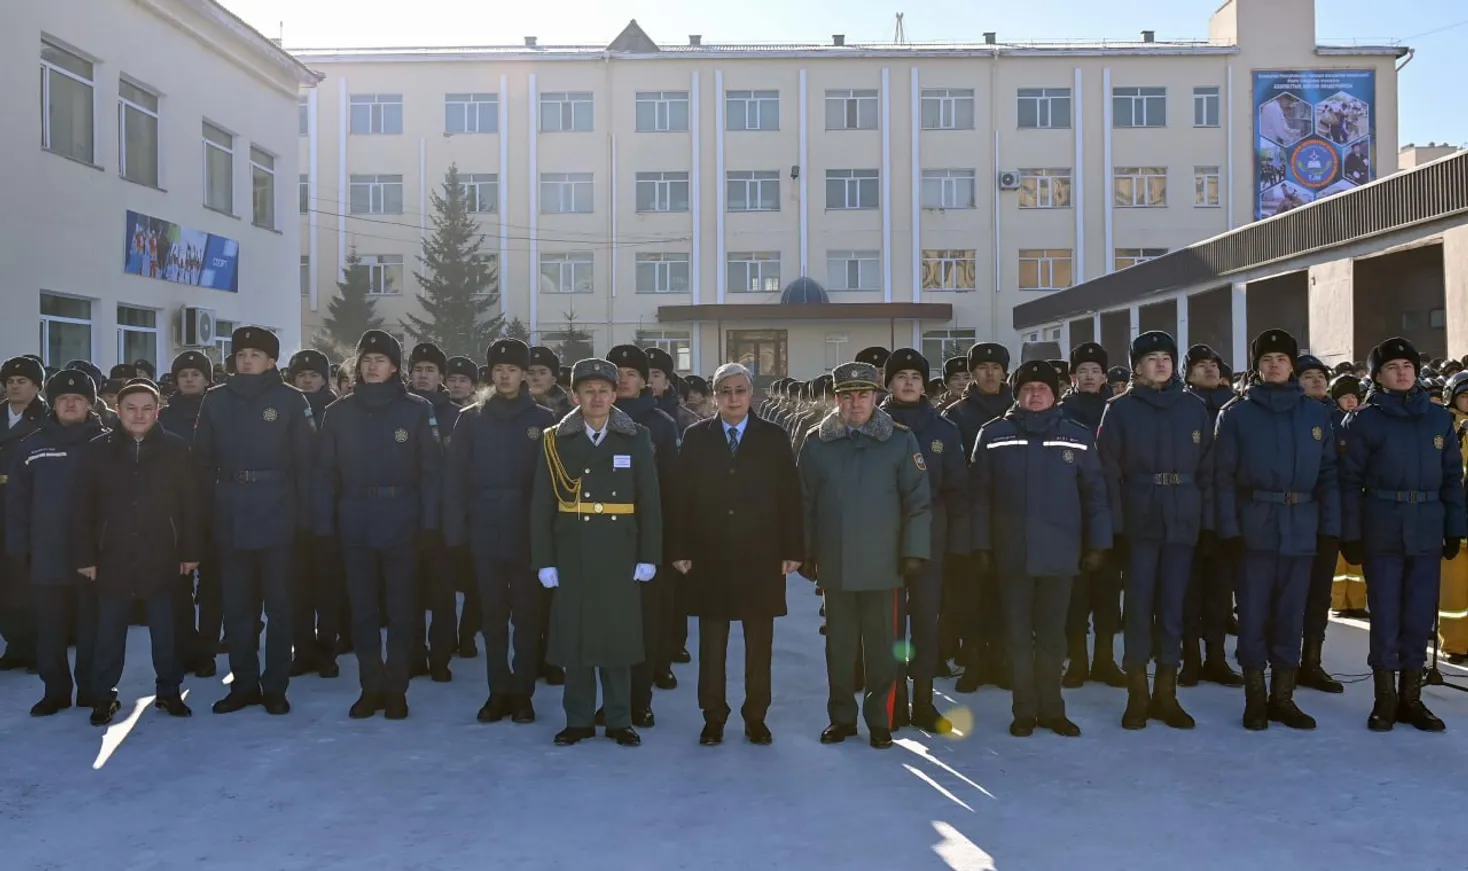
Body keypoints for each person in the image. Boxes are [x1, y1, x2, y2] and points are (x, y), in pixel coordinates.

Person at [973, 361, 1111, 736]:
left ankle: (1052, 708)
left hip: (1060, 555)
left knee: (1053, 637)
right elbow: (979, 497)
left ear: (1055, 394)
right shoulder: (993, 435)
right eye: (1027, 388)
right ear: (1016, 393)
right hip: (1012, 555)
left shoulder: (1077, 436)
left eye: (1043, 388)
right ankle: (1023, 711)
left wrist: (1099, 542)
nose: (1035, 394)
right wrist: (982, 546)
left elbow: (1095, 495)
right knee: (1017, 637)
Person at [800, 361, 931, 750]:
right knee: (838, 648)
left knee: (881, 649)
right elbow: (803, 502)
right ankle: (841, 718)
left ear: (877, 397)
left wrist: (913, 552)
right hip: (836, 564)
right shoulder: (816, 442)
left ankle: (880, 720)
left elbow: (919, 501)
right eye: (847, 395)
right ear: (836, 398)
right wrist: (805, 551)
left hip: (884, 565)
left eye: (863, 394)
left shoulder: (899, 440)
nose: (855, 403)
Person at [531, 358, 662, 747]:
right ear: (575, 395)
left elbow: (649, 501)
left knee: (617, 637)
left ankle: (619, 718)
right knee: (576, 637)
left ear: (615, 394)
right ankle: (578, 718)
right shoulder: (555, 440)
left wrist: (648, 554)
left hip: (620, 550)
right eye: (588, 390)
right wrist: (544, 560)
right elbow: (541, 504)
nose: (597, 397)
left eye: (604, 390)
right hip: (573, 550)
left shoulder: (635, 436)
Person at [670, 362, 802, 746]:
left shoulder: (773, 437)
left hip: (760, 556)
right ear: (715, 395)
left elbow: (789, 496)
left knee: (759, 646)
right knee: (712, 645)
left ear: (750, 394)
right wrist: (679, 548)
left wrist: (793, 549)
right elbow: (682, 497)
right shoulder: (697, 436)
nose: (733, 398)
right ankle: (713, 717)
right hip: (710, 555)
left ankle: (755, 716)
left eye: (739, 390)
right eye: (725, 391)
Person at [1214, 331, 1340, 731]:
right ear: (1257, 366)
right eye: (1266, 359)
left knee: (1291, 615)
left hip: (1302, 527)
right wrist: (1229, 531)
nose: (1274, 365)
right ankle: (1255, 700)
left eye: (1281, 359)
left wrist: (1330, 529)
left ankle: (1282, 698)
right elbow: (1222, 478)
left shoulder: (1316, 414)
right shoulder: (1236, 413)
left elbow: (1329, 476)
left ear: (1293, 365)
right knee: (1252, 615)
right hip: (1255, 527)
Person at [314, 331, 443, 720]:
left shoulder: (416, 410)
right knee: (363, 611)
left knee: (403, 609)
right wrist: (323, 524)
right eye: (366, 359)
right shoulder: (338, 412)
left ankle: (397, 689)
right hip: (354, 518)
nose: (372, 366)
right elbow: (324, 473)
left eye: (380, 360)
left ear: (393, 367)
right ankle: (371, 687)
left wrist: (430, 523)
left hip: (402, 516)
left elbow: (432, 471)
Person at [1340, 337, 1464, 732]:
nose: (1402, 372)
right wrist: (1352, 534)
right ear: (1378, 376)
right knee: (1387, 614)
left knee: (1418, 612)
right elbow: (1348, 483)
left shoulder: (1437, 419)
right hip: (1384, 523)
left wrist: (1453, 528)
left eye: (1407, 367)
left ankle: (1412, 698)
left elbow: (1451, 479)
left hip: (1427, 523)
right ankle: (1385, 699)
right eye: (1392, 368)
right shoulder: (1364, 420)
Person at [193, 326, 315, 715]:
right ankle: (243, 684)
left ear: (272, 361)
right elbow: (201, 462)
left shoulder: (291, 401)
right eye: (241, 353)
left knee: (279, 608)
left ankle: (275, 686)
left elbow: (307, 465)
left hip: (278, 509)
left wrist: (305, 519)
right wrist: (205, 514)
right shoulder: (215, 399)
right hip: (230, 510)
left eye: (256, 354)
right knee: (238, 608)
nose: (247, 360)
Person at [1097, 330, 1214, 731]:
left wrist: (1207, 523)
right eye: (1152, 358)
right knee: (1139, 607)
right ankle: (1137, 695)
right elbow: (1108, 474)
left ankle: (1167, 693)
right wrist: (1113, 528)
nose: (1161, 363)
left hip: (1182, 517)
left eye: (1166, 357)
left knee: (1173, 608)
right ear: (1136, 366)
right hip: (1140, 518)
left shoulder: (1193, 408)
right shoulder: (1120, 410)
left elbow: (1208, 470)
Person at [74, 380, 201, 725]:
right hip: (111, 555)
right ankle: (103, 696)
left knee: (167, 630)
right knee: (109, 632)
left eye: (147, 408)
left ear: (158, 411)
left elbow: (190, 505)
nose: (139, 415)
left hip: (163, 554)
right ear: (118, 410)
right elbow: (83, 508)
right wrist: (86, 556)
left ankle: (169, 691)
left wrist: (189, 551)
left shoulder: (176, 449)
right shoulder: (97, 450)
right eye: (131, 407)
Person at [443, 339, 556, 725]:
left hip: (527, 530)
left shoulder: (543, 420)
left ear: (525, 374)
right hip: (484, 528)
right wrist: (456, 533)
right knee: (491, 617)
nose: (505, 375)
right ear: (490, 373)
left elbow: (554, 484)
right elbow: (454, 478)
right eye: (498, 368)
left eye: (513, 368)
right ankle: (497, 691)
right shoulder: (471, 418)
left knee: (527, 617)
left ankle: (522, 694)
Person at [5, 369, 106, 715]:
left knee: (92, 627)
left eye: (78, 398)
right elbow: (16, 501)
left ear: (90, 403)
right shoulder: (32, 445)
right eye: (64, 398)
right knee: (49, 629)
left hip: (94, 556)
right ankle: (55, 691)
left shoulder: (107, 443)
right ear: (53, 403)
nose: (71, 404)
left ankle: (92, 690)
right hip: (46, 553)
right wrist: (18, 547)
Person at [879, 349, 965, 732]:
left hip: (931, 536)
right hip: (884, 537)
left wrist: (957, 542)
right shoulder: (875, 425)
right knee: (890, 624)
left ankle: (926, 700)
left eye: (916, 375)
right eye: (901, 376)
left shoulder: (943, 430)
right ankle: (894, 702)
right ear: (890, 383)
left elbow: (958, 490)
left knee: (927, 622)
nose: (909, 382)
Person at [608, 344, 680, 722]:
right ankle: (613, 700)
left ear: (643, 380)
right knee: (608, 622)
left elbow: (673, 489)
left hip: (647, 538)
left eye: (631, 373)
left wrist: (668, 544)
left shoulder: (661, 425)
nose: (623, 379)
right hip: (602, 539)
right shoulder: (593, 419)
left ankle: (639, 699)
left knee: (644, 622)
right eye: (617, 372)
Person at [1057, 342, 1126, 688]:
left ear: (1105, 376)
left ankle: (1105, 659)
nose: (1089, 376)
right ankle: (1078, 661)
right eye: (1082, 371)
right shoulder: (1060, 411)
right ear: (1072, 377)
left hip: (1113, 508)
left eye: (1095, 371)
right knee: (1075, 592)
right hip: (1072, 510)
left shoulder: (1117, 409)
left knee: (1108, 592)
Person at [944, 342, 1012, 693]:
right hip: (969, 516)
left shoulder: (1018, 410)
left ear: (1005, 371)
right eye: (982, 367)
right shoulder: (956, 415)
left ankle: (1001, 660)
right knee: (969, 595)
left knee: (1005, 593)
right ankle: (973, 661)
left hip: (1010, 517)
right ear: (972, 373)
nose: (989, 373)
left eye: (995, 367)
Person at [1179, 344, 1243, 688]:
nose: (1209, 369)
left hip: (1226, 512)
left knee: (1220, 593)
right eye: (1201, 365)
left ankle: (1216, 658)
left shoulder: (1236, 408)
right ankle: (1189, 658)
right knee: (1189, 592)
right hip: (1188, 510)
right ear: (1187, 372)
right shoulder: (1180, 406)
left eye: (1214, 364)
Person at [158, 350, 221, 678]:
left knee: (212, 584)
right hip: (175, 509)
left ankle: (206, 649)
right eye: (183, 374)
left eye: (196, 374)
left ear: (207, 379)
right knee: (178, 583)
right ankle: (183, 645)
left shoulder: (220, 410)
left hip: (213, 504)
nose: (189, 379)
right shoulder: (163, 416)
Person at [285, 350, 342, 680]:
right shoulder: (286, 409)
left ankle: (326, 650)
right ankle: (301, 649)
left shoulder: (336, 412)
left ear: (325, 379)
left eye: (314, 375)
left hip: (331, 513)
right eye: (301, 375)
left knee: (328, 590)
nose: (307, 380)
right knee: (297, 589)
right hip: (292, 513)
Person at [406, 342, 459, 681]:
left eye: (430, 370)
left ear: (442, 377)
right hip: (406, 514)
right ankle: (413, 654)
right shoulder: (402, 408)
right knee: (407, 590)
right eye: (418, 369)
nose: (423, 376)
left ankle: (441, 655)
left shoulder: (456, 415)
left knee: (442, 592)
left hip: (443, 516)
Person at [0, 355, 47, 672]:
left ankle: (36, 646)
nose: (14, 387)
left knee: (28, 578)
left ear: (36, 386)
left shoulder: (46, 418)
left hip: (30, 505)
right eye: (10, 382)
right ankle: (14, 644)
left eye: (22, 381)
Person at [442, 354, 483, 659]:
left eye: (462, 380)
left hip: (475, 508)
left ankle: (467, 634)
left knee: (474, 582)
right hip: (444, 505)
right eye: (452, 379)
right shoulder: (431, 412)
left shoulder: (478, 417)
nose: (456, 385)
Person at [1441, 371, 1468, 663]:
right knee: (1454, 592)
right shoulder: (1447, 427)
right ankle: (1455, 644)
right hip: (1455, 518)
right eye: (1465, 396)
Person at [527, 346, 573, 418]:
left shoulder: (570, 412)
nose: (536, 378)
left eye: (542, 373)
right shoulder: (512, 406)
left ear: (553, 379)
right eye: (530, 373)